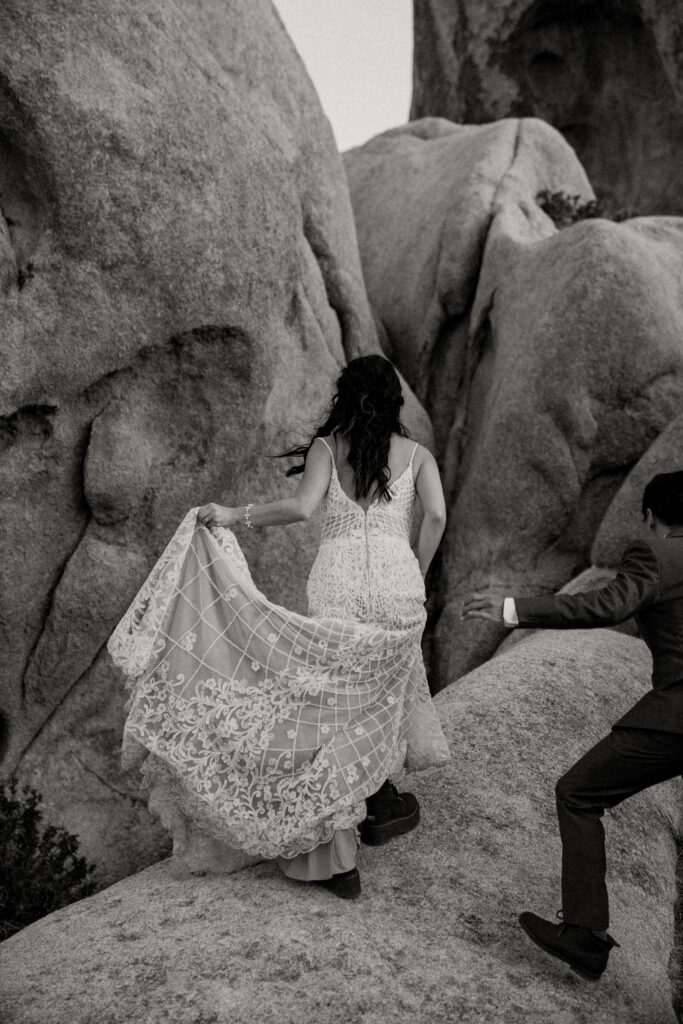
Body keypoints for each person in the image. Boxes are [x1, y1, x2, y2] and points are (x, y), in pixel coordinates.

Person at [108, 354, 450, 899]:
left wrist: (232, 514)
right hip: (395, 582)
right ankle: (373, 807)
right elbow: (435, 516)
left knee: (334, 706)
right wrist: (417, 569)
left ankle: (357, 824)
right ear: (393, 401)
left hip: (337, 584)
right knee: (377, 694)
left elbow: (299, 507)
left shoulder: (327, 448)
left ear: (345, 395)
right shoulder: (417, 455)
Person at [462, 470, 683, 980]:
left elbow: (606, 604)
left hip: (675, 719)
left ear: (651, 518)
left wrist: (513, 610)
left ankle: (585, 933)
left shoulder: (657, 555)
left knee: (578, 793)